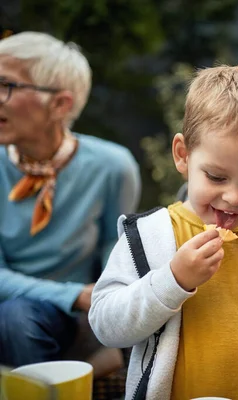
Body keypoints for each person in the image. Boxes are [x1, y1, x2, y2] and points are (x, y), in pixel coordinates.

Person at [89, 66, 238, 400]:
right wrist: (173, 280)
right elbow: (106, 325)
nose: (233, 197)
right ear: (183, 155)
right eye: (216, 177)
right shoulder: (151, 236)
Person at [0, 32, 141, 367]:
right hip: (27, 306)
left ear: (60, 104)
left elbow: (115, 251)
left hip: (62, 319)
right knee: (15, 317)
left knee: (19, 321)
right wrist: (74, 295)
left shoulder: (112, 166)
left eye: (6, 85)